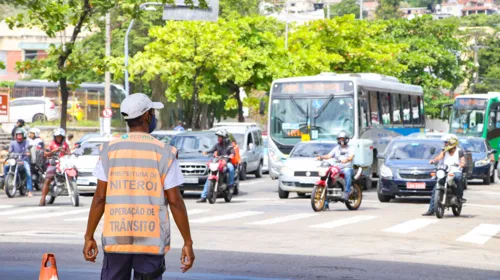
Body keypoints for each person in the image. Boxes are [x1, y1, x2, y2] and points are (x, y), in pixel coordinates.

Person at [83, 93, 195, 279]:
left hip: (117, 238)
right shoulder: (164, 152)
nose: (154, 117)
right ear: (147, 116)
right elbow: (175, 202)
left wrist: (89, 236)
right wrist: (188, 242)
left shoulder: (109, 150)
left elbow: (100, 198)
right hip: (150, 241)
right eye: (152, 112)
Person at [423, 134, 466, 216]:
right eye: (445, 142)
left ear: (452, 143)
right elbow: (439, 157)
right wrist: (434, 161)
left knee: (459, 178)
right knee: (436, 187)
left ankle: (459, 197)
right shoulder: (444, 150)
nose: (445, 144)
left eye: (446, 142)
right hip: (445, 170)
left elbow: (462, 160)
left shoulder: (459, 151)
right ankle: (431, 209)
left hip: (455, 171)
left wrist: (461, 164)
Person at [197, 129, 235, 203]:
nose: (218, 138)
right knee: (209, 176)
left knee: (231, 168)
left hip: (226, 162)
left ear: (224, 137)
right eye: (218, 137)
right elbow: (211, 150)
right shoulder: (217, 145)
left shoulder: (229, 145)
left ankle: (230, 186)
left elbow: (232, 152)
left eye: (220, 137)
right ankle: (203, 196)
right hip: (218, 161)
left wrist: (231, 155)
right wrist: (206, 152)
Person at [317, 131, 355, 204]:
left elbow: (351, 157)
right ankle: (325, 203)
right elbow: (329, 156)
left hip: (347, 167)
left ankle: (347, 192)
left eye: (343, 139)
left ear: (346, 139)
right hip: (337, 168)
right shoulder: (337, 148)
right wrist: (321, 157)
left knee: (347, 172)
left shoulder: (350, 148)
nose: (341, 140)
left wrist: (347, 159)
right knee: (327, 175)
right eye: (340, 139)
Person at [39, 128, 71, 206]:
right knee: (48, 179)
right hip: (53, 164)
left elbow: (69, 153)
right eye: (57, 137)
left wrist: (65, 152)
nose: (59, 138)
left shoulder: (65, 144)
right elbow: (45, 154)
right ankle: (43, 198)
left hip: (63, 164)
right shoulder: (51, 144)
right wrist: (54, 151)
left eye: (60, 137)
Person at [4, 128, 33, 197]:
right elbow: (10, 151)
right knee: (6, 166)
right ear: (15, 136)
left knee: (28, 172)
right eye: (18, 135)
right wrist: (9, 153)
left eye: (20, 135)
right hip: (14, 160)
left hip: (23, 160)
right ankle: (6, 183)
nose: (19, 137)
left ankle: (29, 190)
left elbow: (27, 149)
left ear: (23, 136)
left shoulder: (26, 142)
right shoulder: (12, 142)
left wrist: (27, 152)